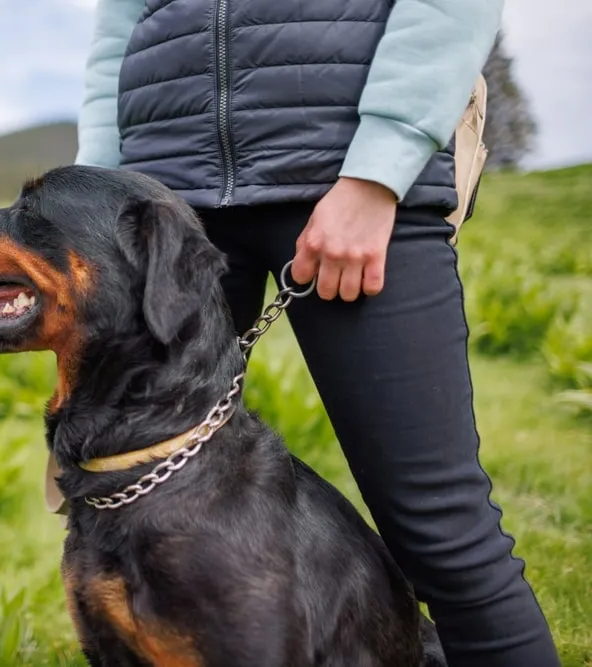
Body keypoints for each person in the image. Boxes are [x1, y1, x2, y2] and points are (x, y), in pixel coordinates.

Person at [72, 1, 562, 666]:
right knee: (120, 498)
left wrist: (376, 171)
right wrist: (101, 197)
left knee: (441, 534)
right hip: (164, 207)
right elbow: (118, 29)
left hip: (346, 176)